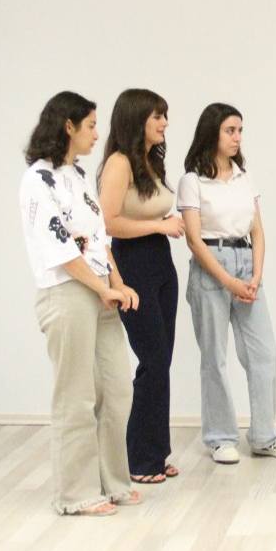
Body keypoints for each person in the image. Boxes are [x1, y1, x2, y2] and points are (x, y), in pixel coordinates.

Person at [17, 91, 141, 516]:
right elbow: (60, 248)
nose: (97, 134)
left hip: (100, 290)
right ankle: (75, 493)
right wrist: (100, 288)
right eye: (90, 125)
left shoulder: (81, 175)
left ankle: (113, 481)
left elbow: (99, 237)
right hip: (67, 292)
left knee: (118, 388)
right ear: (67, 126)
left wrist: (116, 282)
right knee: (76, 395)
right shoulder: (38, 180)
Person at [177, 103, 276, 464]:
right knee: (214, 357)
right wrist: (228, 281)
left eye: (240, 131)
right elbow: (194, 239)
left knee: (264, 353)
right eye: (230, 131)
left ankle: (264, 435)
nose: (237, 138)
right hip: (211, 266)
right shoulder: (193, 181)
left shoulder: (245, 177)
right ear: (212, 133)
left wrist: (255, 275)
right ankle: (220, 438)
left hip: (247, 262)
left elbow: (258, 231)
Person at [98, 88, 186, 486]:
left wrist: (160, 229)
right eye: (157, 117)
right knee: (152, 361)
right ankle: (138, 458)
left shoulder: (149, 160)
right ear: (137, 120)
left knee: (160, 363)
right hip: (133, 265)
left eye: (164, 116)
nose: (165, 123)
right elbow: (108, 223)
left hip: (160, 263)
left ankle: (155, 453)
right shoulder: (119, 163)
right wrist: (159, 226)